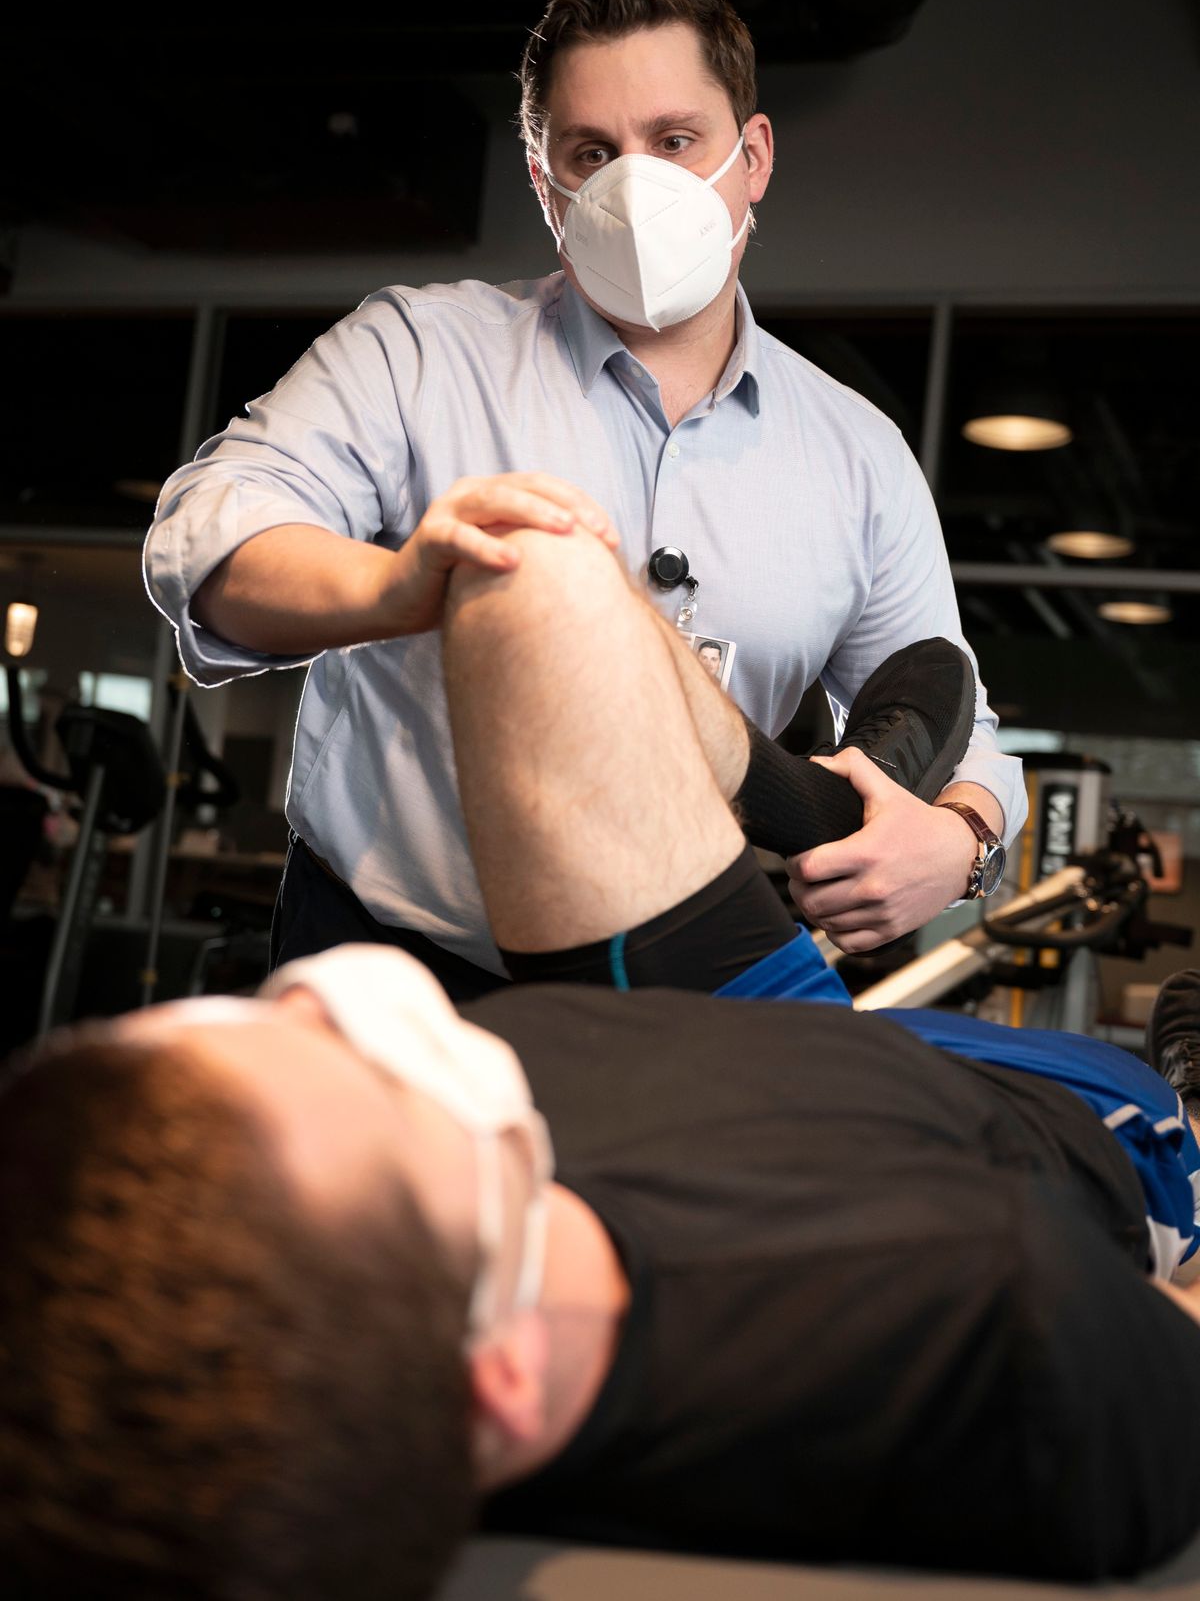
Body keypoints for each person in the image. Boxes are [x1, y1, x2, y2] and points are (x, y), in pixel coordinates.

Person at [2, 519, 1198, 1601]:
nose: (358, 1000)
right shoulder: (981, 1313)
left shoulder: (378, 1283)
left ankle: (829, 805)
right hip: (1042, 1131)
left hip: (711, 1028)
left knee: (529, 568)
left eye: (286, 1021)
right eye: (380, 1081)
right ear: (506, 1375)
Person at [143, 0, 1025, 997]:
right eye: (593, 152)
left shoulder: (859, 452)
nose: (635, 184)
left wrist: (959, 843)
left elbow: (958, 708)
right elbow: (209, 531)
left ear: (754, 160)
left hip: (686, 985)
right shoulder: (420, 350)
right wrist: (400, 589)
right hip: (397, 964)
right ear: (543, 178)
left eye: (675, 140)